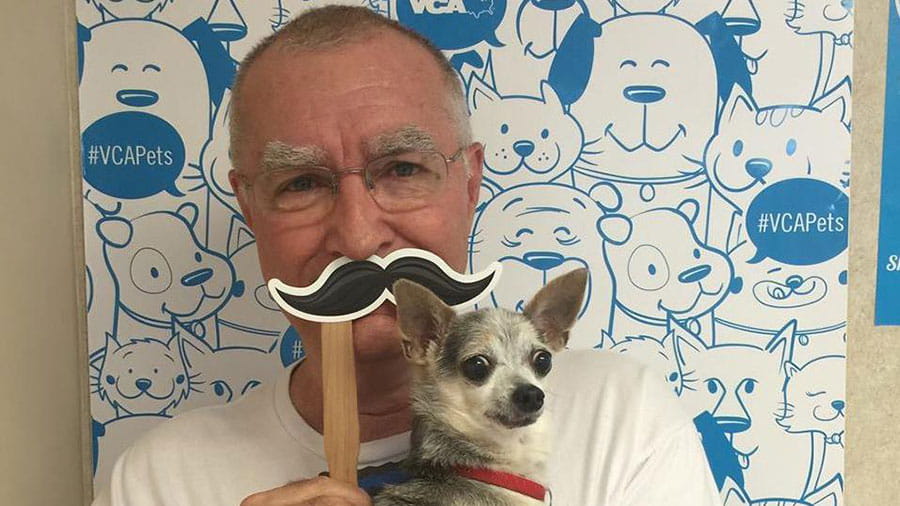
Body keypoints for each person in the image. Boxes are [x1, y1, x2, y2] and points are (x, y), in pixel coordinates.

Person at [94, 6, 721, 505]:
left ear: (470, 185)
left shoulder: (626, 421)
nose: (361, 235)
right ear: (250, 206)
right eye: (302, 183)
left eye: (401, 168)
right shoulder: (155, 483)